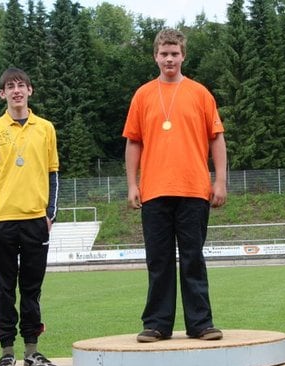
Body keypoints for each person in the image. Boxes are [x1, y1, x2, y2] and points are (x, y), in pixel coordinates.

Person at [123, 28, 228, 343]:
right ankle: (157, 324)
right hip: (154, 190)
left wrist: (220, 180)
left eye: (175, 53)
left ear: (183, 56)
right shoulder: (143, 95)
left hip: (194, 189)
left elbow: (216, 139)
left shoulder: (200, 93)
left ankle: (201, 323)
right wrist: (132, 184)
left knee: (193, 258)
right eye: (164, 54)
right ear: (155, 56)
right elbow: (133, 142)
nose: (169, 59)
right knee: (159, 260)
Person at [0, 67, 60, 366]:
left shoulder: (46, 129)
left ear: (30, 91)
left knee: (32, 289)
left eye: (21, 85)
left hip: (36, 220)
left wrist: (50, 214)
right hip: (2, 222)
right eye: (10, 87)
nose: (16, 91)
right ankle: (7, 353)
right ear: (2, 94)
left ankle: (32, 353)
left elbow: (53, 174)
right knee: (5, 289)